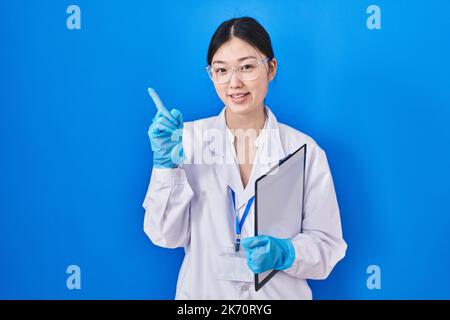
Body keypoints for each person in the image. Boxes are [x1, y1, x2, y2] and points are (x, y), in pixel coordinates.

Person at [142, 16, 347, 299]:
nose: (234, 83)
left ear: (271, 68)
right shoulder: (186, 142)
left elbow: (327, 247)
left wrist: (287, 253)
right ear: (211, 75)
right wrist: (166, 167)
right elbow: (164, 235)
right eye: (221, 70)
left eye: (247, 67)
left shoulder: (303, 151)